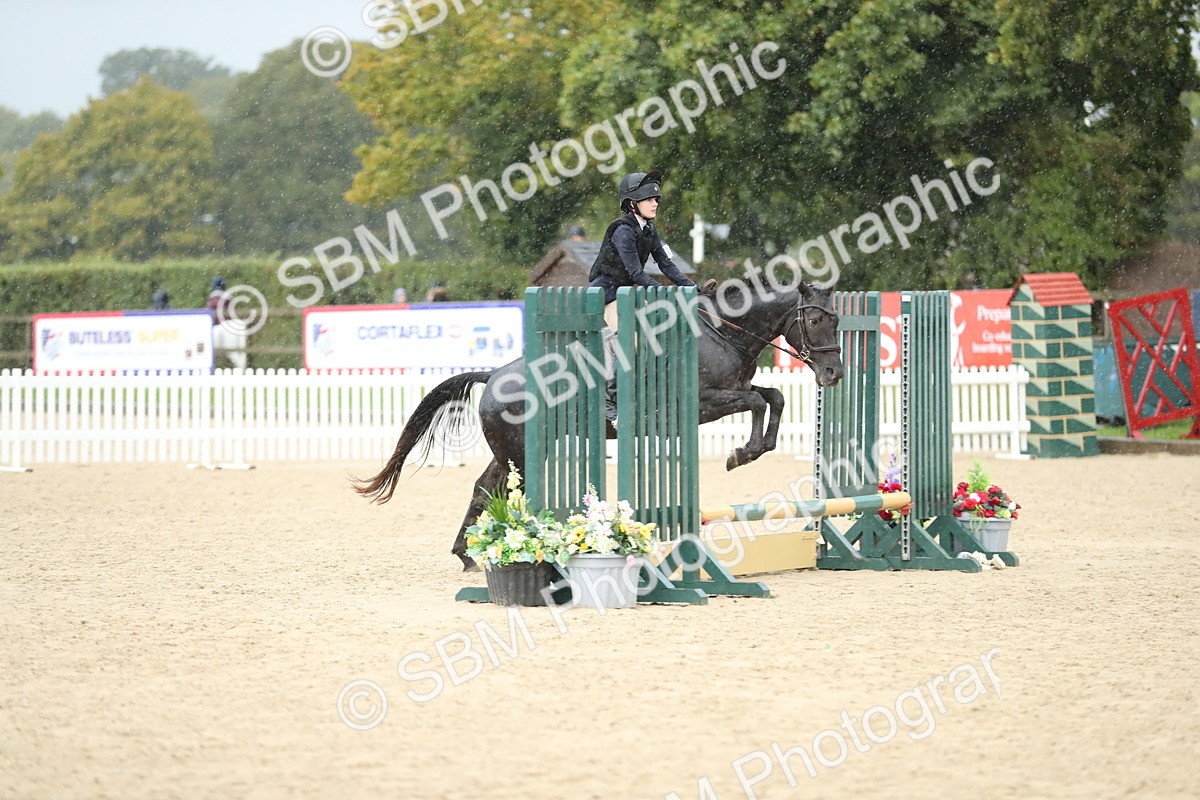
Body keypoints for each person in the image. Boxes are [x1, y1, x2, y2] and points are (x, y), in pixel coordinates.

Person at [588, 170, 716, 423]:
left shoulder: (648, 229)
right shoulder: (623, 231)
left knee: (663, 332)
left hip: (627, 294)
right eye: (648, 199)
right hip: (609, 295)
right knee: (633, 340)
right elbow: (636, 272)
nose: (655, 202)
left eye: (656, 198)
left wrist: (692, 286)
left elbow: (665, 264)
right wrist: (666, 292)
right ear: (632, 204)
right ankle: (609, 400)